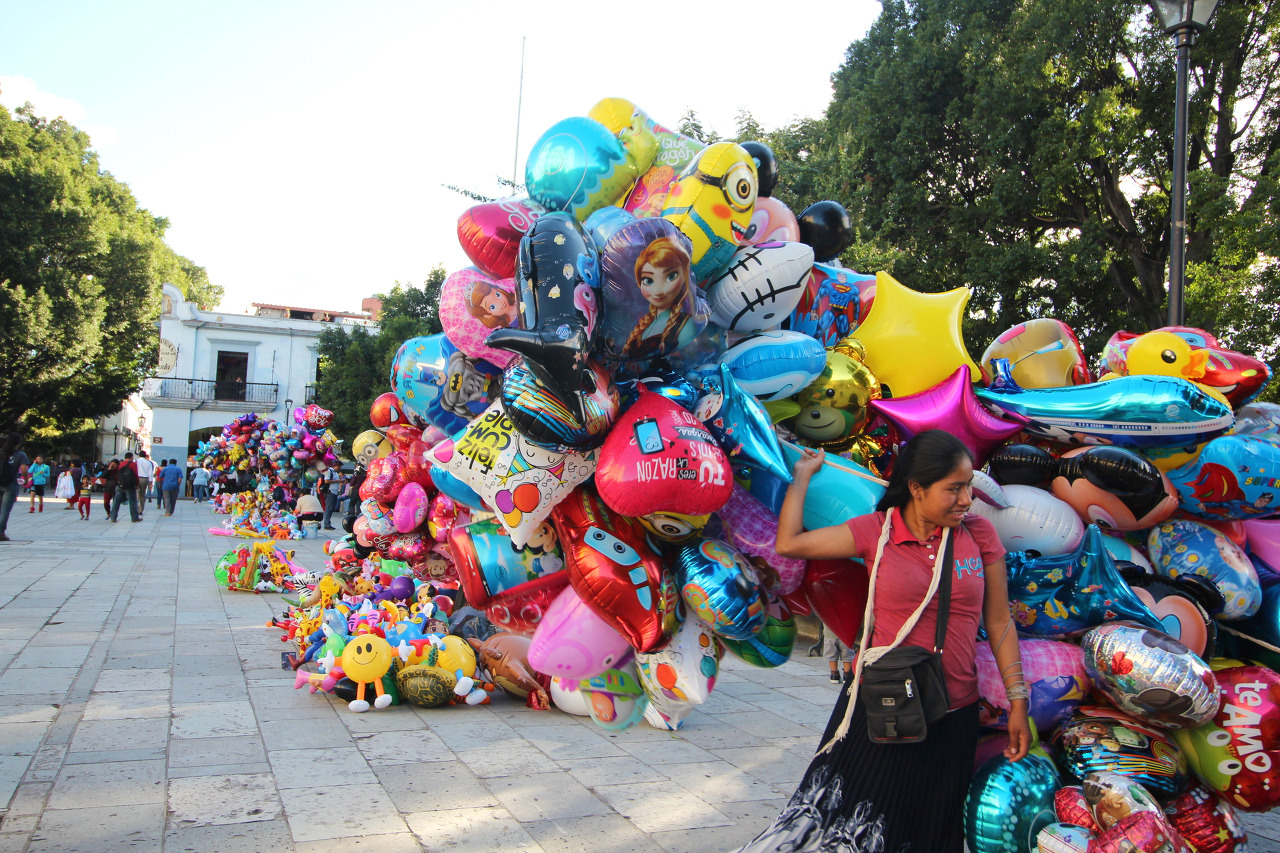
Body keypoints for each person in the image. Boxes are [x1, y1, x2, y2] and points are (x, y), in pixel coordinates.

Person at [735, 431, 1029, 853]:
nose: (967, 499)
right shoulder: (877, 531)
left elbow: (999, 621)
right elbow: (790, 544)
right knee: (854, 830)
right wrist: (801, 479)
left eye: (968, 486)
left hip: (954, 713)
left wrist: (1018, 700)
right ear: (917, 488)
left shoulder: (979, 535)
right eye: (954, 489)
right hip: (883, 706)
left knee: (930, 833)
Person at [620, 237, 698, 360]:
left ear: (684, 276)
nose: (658, 290)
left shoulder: (685, 325)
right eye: (648, 281)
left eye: (671, 276)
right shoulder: (644, 323)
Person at [0, 433, 30, 542]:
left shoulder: (1, 452)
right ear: (18, 443)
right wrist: (26, 480)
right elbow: (24, 469)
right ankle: (0, 533)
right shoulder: (21, 455)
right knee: (5, 509)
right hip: (10, 484)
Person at [109, 452, 141, 523]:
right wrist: (137, 484)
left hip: (120, 485)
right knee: (132, 501)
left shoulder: (121, 464)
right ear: (131, 457)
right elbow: (136, 474)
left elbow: (118, 474)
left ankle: (113, 517)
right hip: (130, 486)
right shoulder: (133, 464)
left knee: (116, 501)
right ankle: (134, 518)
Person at [134, 451, 155, 518]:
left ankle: (135, 508)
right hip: (144, 479)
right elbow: (150, 473)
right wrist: (150, 483)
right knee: (142, 494)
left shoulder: (135, 461)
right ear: (145, 456)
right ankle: (141, 509)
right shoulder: (148, 463)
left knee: (137, 493)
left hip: (136, 478)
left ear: (139, 455)